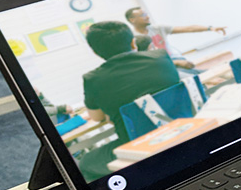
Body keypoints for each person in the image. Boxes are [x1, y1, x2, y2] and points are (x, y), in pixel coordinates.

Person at [78, 21, 181, 181]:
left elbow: (97, 117)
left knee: (86, 161)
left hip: (139, 144)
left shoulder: (92, 79)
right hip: (182, 130)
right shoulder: (160, 57)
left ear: (96, 51)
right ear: (133, 41)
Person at [125, 6, 226, 70]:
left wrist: (210, 28)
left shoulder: (157, 29)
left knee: (200, 72)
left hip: (173, 59)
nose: (147, 17)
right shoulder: (133, 38)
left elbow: (189, 28)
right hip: (159, 66)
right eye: (143, 15)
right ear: (132, 19)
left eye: (146, 14)